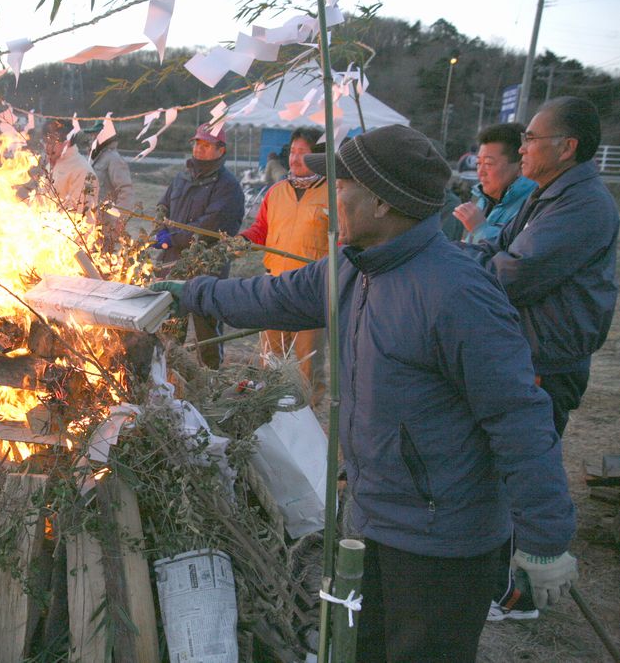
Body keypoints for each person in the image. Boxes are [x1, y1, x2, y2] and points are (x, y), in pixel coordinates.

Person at [154, 124, 577, 663]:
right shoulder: (356, 268)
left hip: (441, 542)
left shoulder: (457, 292)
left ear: (381, 201)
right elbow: (268, 294)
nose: (331, 201)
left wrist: (545, 537)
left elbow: (518, 417)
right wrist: (188, 292)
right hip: (371, 517)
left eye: (342, 186)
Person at [461, 98, 617, 622]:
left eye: (530, 138)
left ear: (566, 147)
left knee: (528, 470)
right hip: (528, 347)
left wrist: (476, 265)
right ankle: (500, 579)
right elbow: (496, 247)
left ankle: (522, 594)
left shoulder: (584, 204)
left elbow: (515, 272)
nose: (522, 146)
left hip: (550, 355)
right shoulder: (547, 195)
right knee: (503, 463)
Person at [240, 126, 327, 400]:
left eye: (304, 152)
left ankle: (309, 413)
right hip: (275, 286)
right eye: (292, 152)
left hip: (311, 291)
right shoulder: (276, 192)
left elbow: (343, 242)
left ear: (319, 157)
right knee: (269, 358)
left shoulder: (333, 194)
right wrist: (243, 240)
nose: (295, 158)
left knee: (308, 363)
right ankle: (267, 410)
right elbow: (260, 230)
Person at [154, 122, 245, 368]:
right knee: (171, 327)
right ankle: (170, 378)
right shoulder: (181, 177)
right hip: (172, 263)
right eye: (197, 143)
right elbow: (162, 207)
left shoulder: (228, 187)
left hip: (207, 268)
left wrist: (171, 238)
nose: (199, 149)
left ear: (221, 150)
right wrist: (159, 231)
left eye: (206, 145)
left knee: (207, 330)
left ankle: (211, 379)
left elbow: (209, 226)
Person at [452, 123, 537, 245]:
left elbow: (515, 257)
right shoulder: (485, 198)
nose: (480, 172)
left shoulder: (532, 205)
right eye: (478, 163)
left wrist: (480, 229)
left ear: (520, 166)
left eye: (488, 164)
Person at [40, 119, 99, 217]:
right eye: (45, 142)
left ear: (66, 143)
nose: (46, 147)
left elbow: (80, 215)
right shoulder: (52, 164)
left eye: (51, 142)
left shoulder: (83, 172)